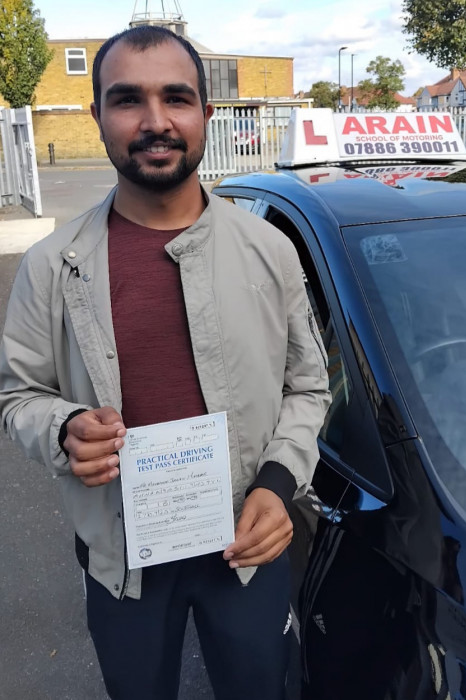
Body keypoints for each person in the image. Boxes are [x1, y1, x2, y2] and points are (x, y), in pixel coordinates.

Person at [0, 25, 330, 700]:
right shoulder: (51, 266)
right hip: (122, 561)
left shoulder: (269, 252)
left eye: (175, 98)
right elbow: (18, 396)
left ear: (205, 114)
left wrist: (276, 485)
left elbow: (308, 388)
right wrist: (63, 429)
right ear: (98, 116)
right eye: (128, 100)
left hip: (247, 548)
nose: (155, 121)